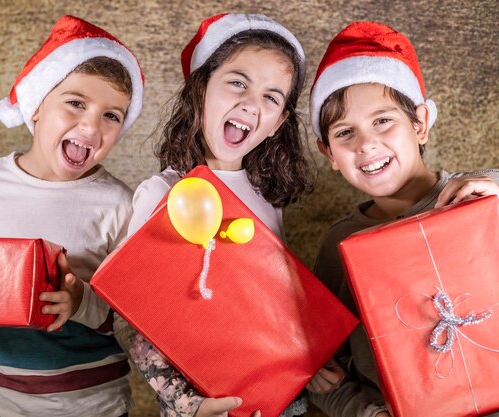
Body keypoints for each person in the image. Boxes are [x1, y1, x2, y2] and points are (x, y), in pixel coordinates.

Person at [108, 12, 345, 417]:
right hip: (202, 405)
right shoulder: (162, 194)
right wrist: (190, 405)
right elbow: (132, 321)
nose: (251, 104)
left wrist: (309, 361)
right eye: (237, 82)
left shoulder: (266, 197)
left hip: (279, 402)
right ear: (200, 90)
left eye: (271, 97)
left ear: (278, 123)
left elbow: (271, 304)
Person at [0, 15, 145, 417]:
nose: (90, 125)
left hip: (93, 405)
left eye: (112, 115)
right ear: (35, 107)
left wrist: (80, 301)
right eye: (75, 103)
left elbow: (135, 319)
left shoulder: (121, 205)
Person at [307, 21, 499, 417]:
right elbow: (324, 376)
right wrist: (366, 411)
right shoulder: (337, 246)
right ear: (329, 154)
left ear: (421, 123)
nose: (366, 144)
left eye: (383, 120)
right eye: (345, 133)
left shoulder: (494, 193)